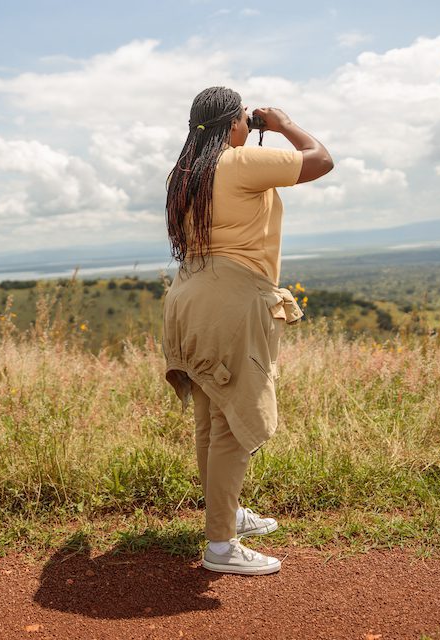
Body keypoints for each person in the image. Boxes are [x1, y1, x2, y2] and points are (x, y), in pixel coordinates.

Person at [162, 86, 333, 575]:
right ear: (230, 126)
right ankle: (220, 546)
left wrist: (251, 124)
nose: (248, 125)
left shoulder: (185, 175)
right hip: (230, 301)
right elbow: (319, 160)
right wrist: (280, 122)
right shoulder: (236, 164)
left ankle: (227, 512)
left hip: (189, 297)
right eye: (243, 119)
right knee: (234, 424)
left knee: (211, 419)